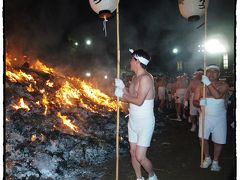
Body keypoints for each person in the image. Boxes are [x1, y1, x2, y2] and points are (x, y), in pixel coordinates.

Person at [114, 49, 158, 180]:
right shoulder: (134, 78)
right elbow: (132, 96)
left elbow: (139, 101)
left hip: (145, 121)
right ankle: (139, 178)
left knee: (140, 156)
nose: (130, 61)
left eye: (132, 59)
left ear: (137, 61)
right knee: (133, 153)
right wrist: (122, 88)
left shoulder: (146, 78)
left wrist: (122, 94)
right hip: (133, 120)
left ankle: (152, 175)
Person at [193, 64, 229, 172]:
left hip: (219, 118)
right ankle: (207, 158)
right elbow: (194, 100)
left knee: (218, 141)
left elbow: (217, 95)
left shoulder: (223, 85)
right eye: (209, 71)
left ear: (219, 74)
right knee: (202, 139)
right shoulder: (200, 87)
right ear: (206, 73)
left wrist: (208, 83)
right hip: (205, 117)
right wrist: (199, 102)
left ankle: (215, 162)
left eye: (214, 71)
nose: (211, 74)